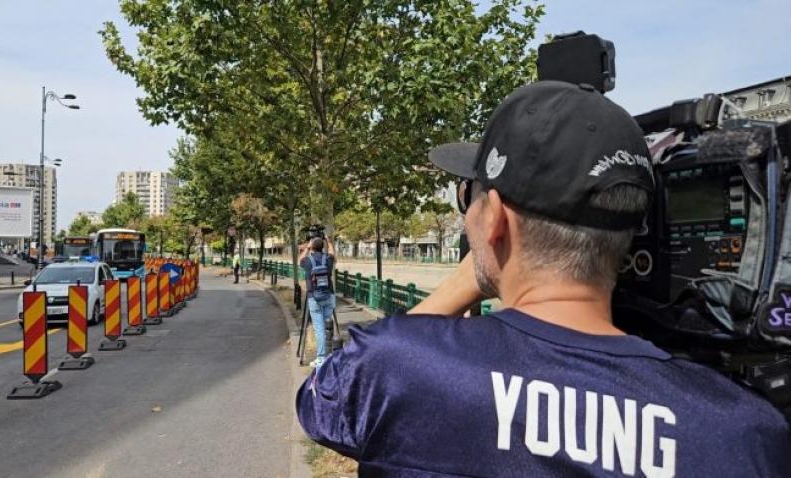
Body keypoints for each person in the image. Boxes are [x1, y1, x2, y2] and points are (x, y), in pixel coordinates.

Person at [296, 81, 791, 476]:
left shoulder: (394, 368)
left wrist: (471, 275)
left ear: (495, 218)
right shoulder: (742, 433)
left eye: (469, 196)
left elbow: (321, 402)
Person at [298, 235, 336, 368]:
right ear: (322, 246)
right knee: (327, 327)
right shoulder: (328, 260)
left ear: (312, 247)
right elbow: (333, 255)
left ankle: (321, 358)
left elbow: (300, 260)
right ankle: (330, 355)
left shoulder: (308, 261)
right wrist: (329, 242)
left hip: (314, 297)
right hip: (328, 296)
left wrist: (307, 248)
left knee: (319, 329)